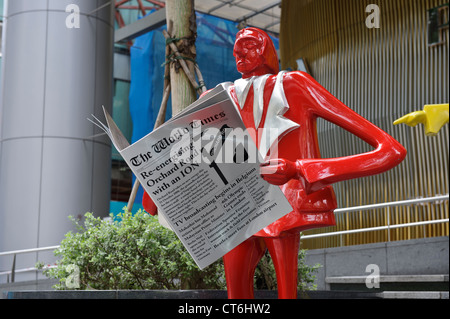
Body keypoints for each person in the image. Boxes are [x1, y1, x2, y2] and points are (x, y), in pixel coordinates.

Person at [143, 27, 407, 299]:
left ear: (267, 51)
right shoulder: (219, 96)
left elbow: (389, 151)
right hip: (236, 206)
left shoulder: (295, 85)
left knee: (285, 289)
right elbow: (185, 152)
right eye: (236, 47)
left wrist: (299, 169)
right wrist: (154, 184)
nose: (237, 52)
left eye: (248, 44)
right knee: (236, 293)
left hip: (284, 202)